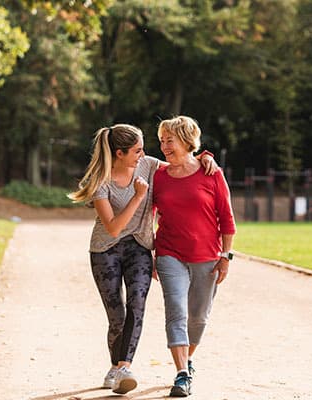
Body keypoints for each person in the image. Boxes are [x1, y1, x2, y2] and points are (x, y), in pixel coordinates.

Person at [68, 124, 217, 395]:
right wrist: (138, 196)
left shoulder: (148, 164)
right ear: (120, 153)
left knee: (137, 302)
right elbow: (113, 227)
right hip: (106, 249)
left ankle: (124, 367)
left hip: (140, 247)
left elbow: (182, 163)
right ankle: (115, 366)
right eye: (137, 150)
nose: (143, 154)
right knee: (117, 316)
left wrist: (205, 155)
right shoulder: (100, 182)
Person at [152, 116, 236, 397]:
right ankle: (181, 374)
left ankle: (188, 359)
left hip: (207, 256)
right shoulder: (159, 175)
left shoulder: (211, 172)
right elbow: (148, 213)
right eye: (161, 140)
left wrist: (226, 255)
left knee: (198, 317)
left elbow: (226, 217)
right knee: (176, 310)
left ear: (187, 142)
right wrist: (148, 249)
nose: (164, 146)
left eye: (169, 140)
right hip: (168, 253)